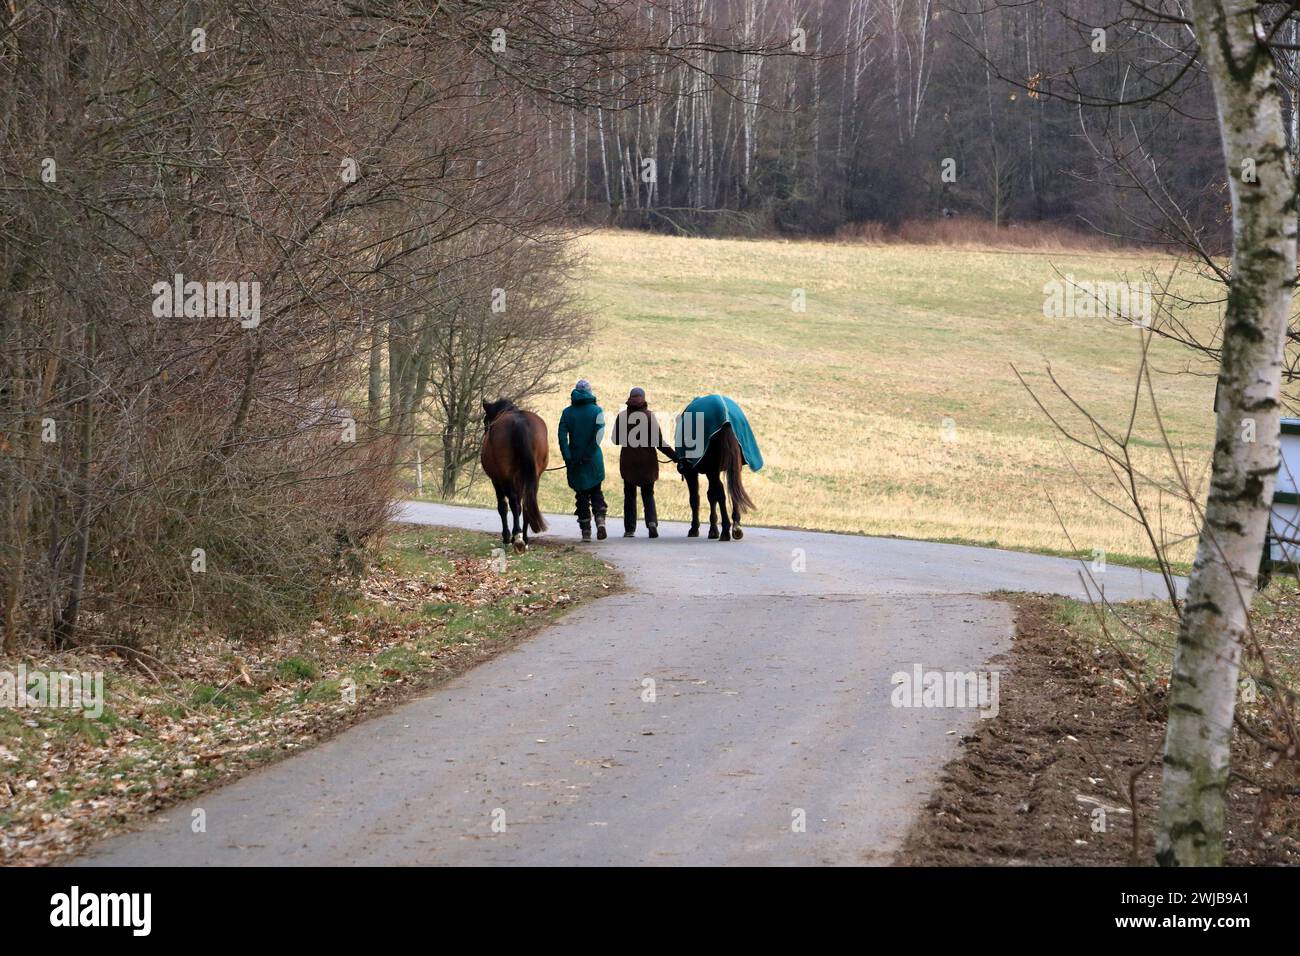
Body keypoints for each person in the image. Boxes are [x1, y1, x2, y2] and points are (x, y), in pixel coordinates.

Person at [611, 386, 676, 538]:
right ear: (643, 399)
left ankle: (629, 529)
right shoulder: (649, 416)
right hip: (648, 462)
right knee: (648, 494)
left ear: (630, 398)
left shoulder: (622, 416)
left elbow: (615, 440)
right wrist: (675, 457)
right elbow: (659, 442)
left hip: (629, 462)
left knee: (629, 495)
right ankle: (652, 523)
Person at [558, 378, 607, 541]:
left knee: (581, 496)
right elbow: (599, 435)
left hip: (575, 460)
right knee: (596, 491)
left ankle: (586, 531)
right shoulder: (597, 411)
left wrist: (568, 457)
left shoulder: (567, 412)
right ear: (590, 392)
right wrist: (589, 454)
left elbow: (562, 437)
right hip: (593, 460)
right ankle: (600, 520)